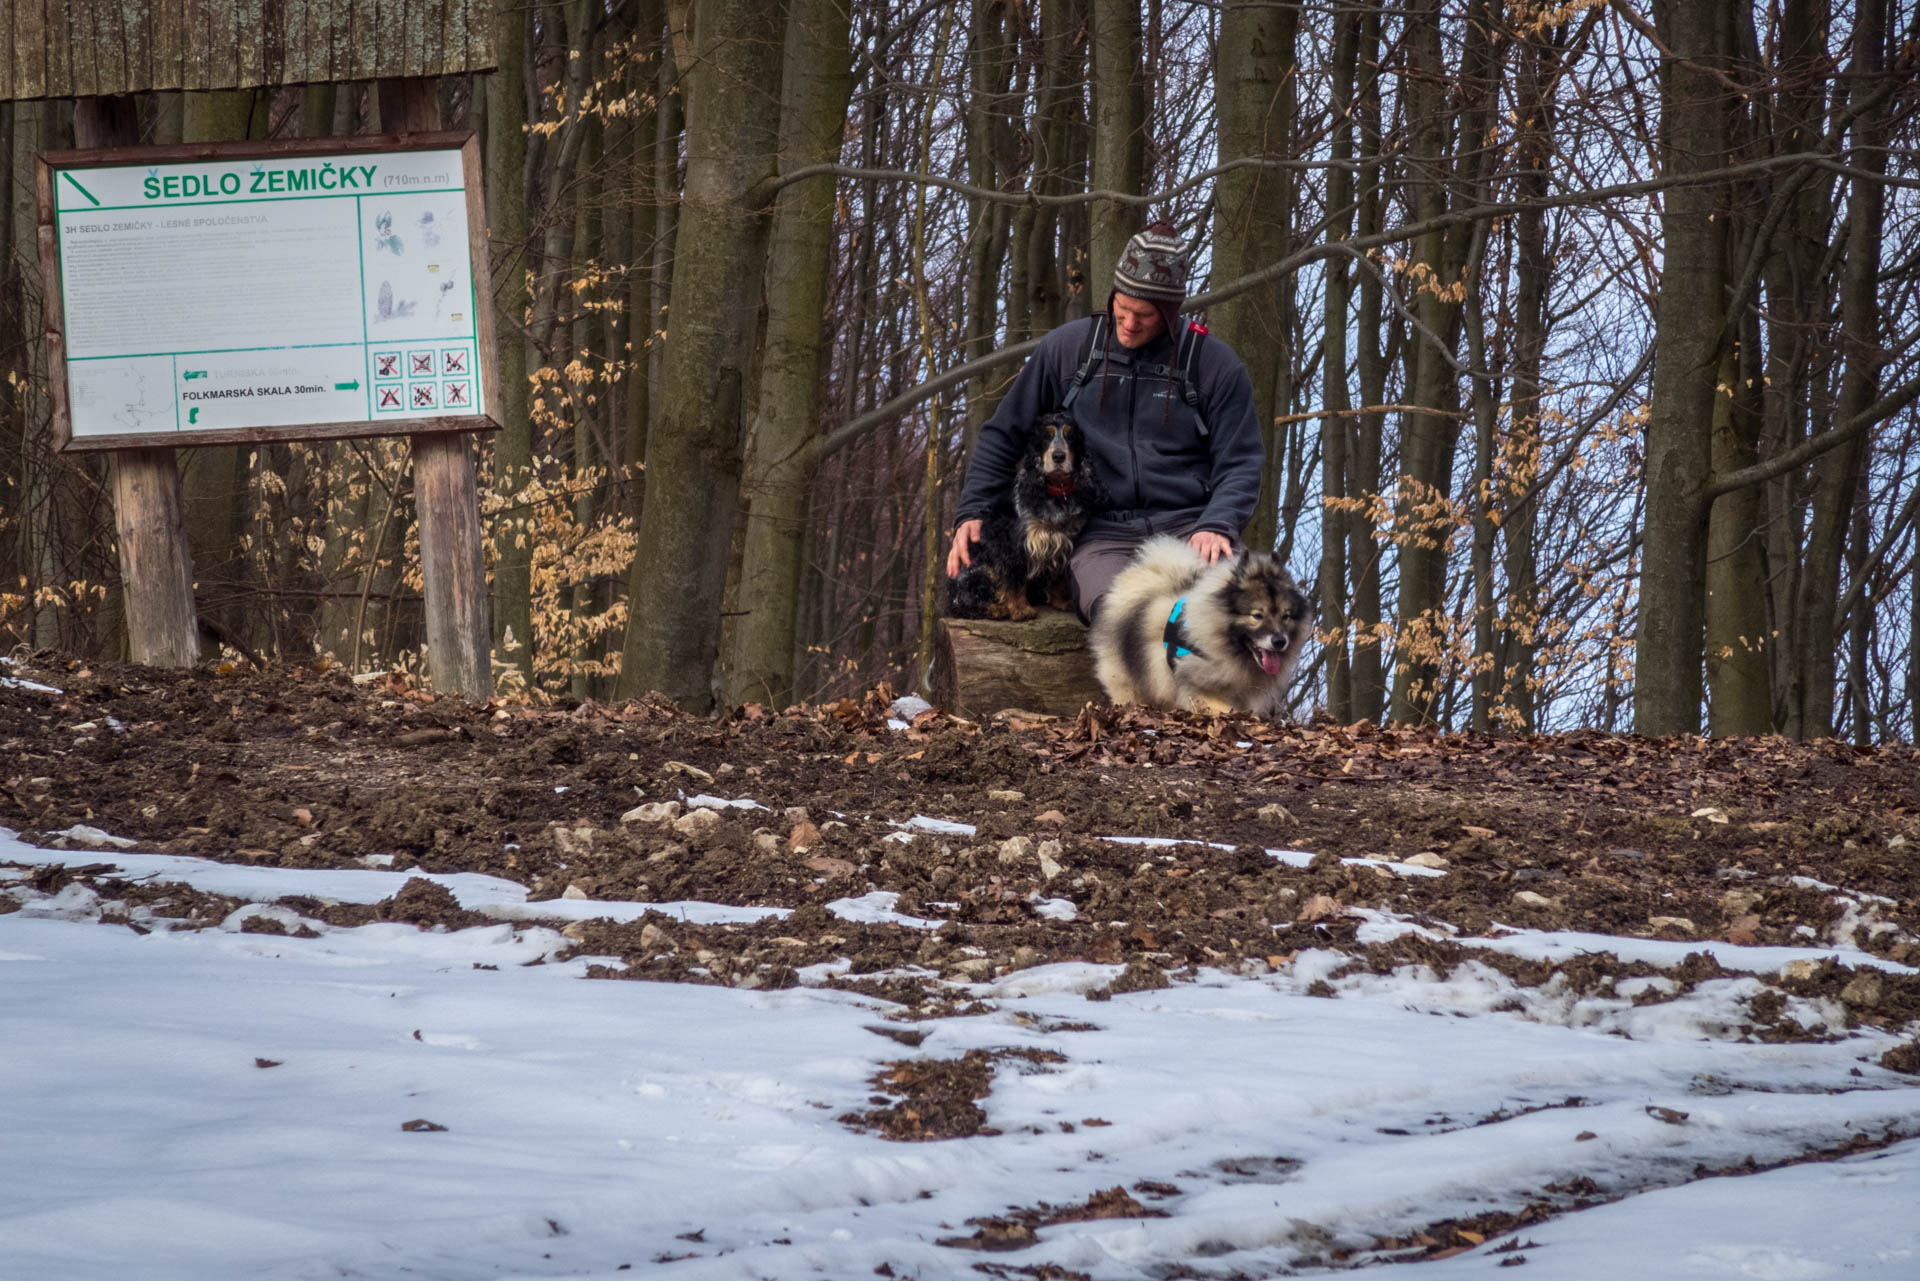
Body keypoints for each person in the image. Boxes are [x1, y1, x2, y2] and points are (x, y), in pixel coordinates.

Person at [945, 223, 1266, 623]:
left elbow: (1241, 461)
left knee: (1236, 610)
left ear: (1170, 314)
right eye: (1122, 309)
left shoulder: (1214, 366)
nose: (1129, 324)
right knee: (1123, 616)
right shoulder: (1069, 350)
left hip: (1190, 526)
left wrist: (1219, 523)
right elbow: (1004, 433)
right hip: (1098, 531)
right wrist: (973, 510)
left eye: (1145, 315)